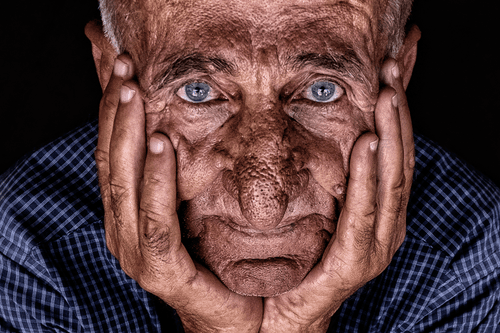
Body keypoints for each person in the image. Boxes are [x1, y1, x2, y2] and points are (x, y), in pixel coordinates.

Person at [0, 0, 499, 332]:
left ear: (398, 71)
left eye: (322, 90)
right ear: (111, 72)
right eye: (197, 92)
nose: (264, 208)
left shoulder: (467, 249)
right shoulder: (25, 245)